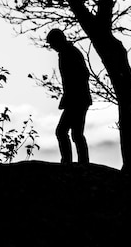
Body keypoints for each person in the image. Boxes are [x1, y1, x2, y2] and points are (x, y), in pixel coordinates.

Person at [46, 28, 92, 165]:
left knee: (63, 131)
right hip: (76, 99)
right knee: (74, 133)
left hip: (78, 99)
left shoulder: (70, 53)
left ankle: (71, 162)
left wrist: (72, 93)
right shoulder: (67, 53)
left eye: (52, 43)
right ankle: (78, 162)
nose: (52, 47)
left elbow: (83, 74)